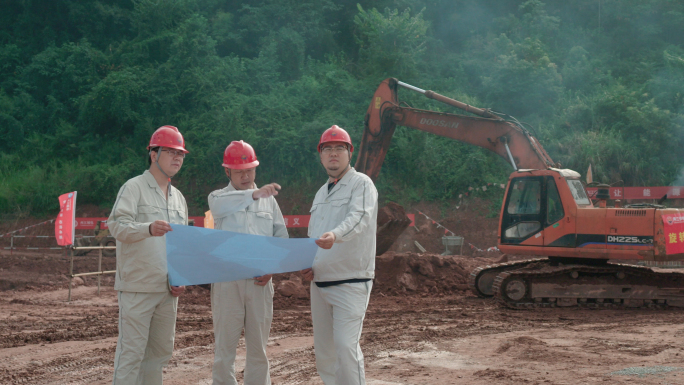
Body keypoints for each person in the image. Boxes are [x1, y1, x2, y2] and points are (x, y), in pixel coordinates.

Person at [108, 125, 189, 385]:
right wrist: (147, 228)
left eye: (181, 154)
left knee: (159, 354)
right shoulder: (133, 188)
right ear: (153, 154)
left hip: (167, 291)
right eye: (170, 152)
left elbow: (181, 244)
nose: (177, 158)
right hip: (138, 288)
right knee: (131, 354)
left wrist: (181, 276)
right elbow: (117, 226)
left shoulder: (178, 198)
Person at [301, 125, 378, 385]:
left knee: (346, 347)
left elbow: (360, 218)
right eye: (328, 149)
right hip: (320, 283)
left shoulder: (361, 184)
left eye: (339, 148)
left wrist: (335, 235)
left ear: (349, 153)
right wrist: (308, 264)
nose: (333, 154)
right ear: (321, 155)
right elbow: (314, 236)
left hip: (351, 281)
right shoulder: (321, 193)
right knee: (325, 353)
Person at [208, 140, 289, 385]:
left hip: (260, 284)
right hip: (227, 283)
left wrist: (272, 269)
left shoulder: (269, 202)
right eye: (239, 171)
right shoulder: (218, 197)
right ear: (227, 171)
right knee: (224, 350)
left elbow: (281, 238)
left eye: (250, 170)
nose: (245, 175)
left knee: (258, 351)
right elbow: (220, 208)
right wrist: (255, 194)